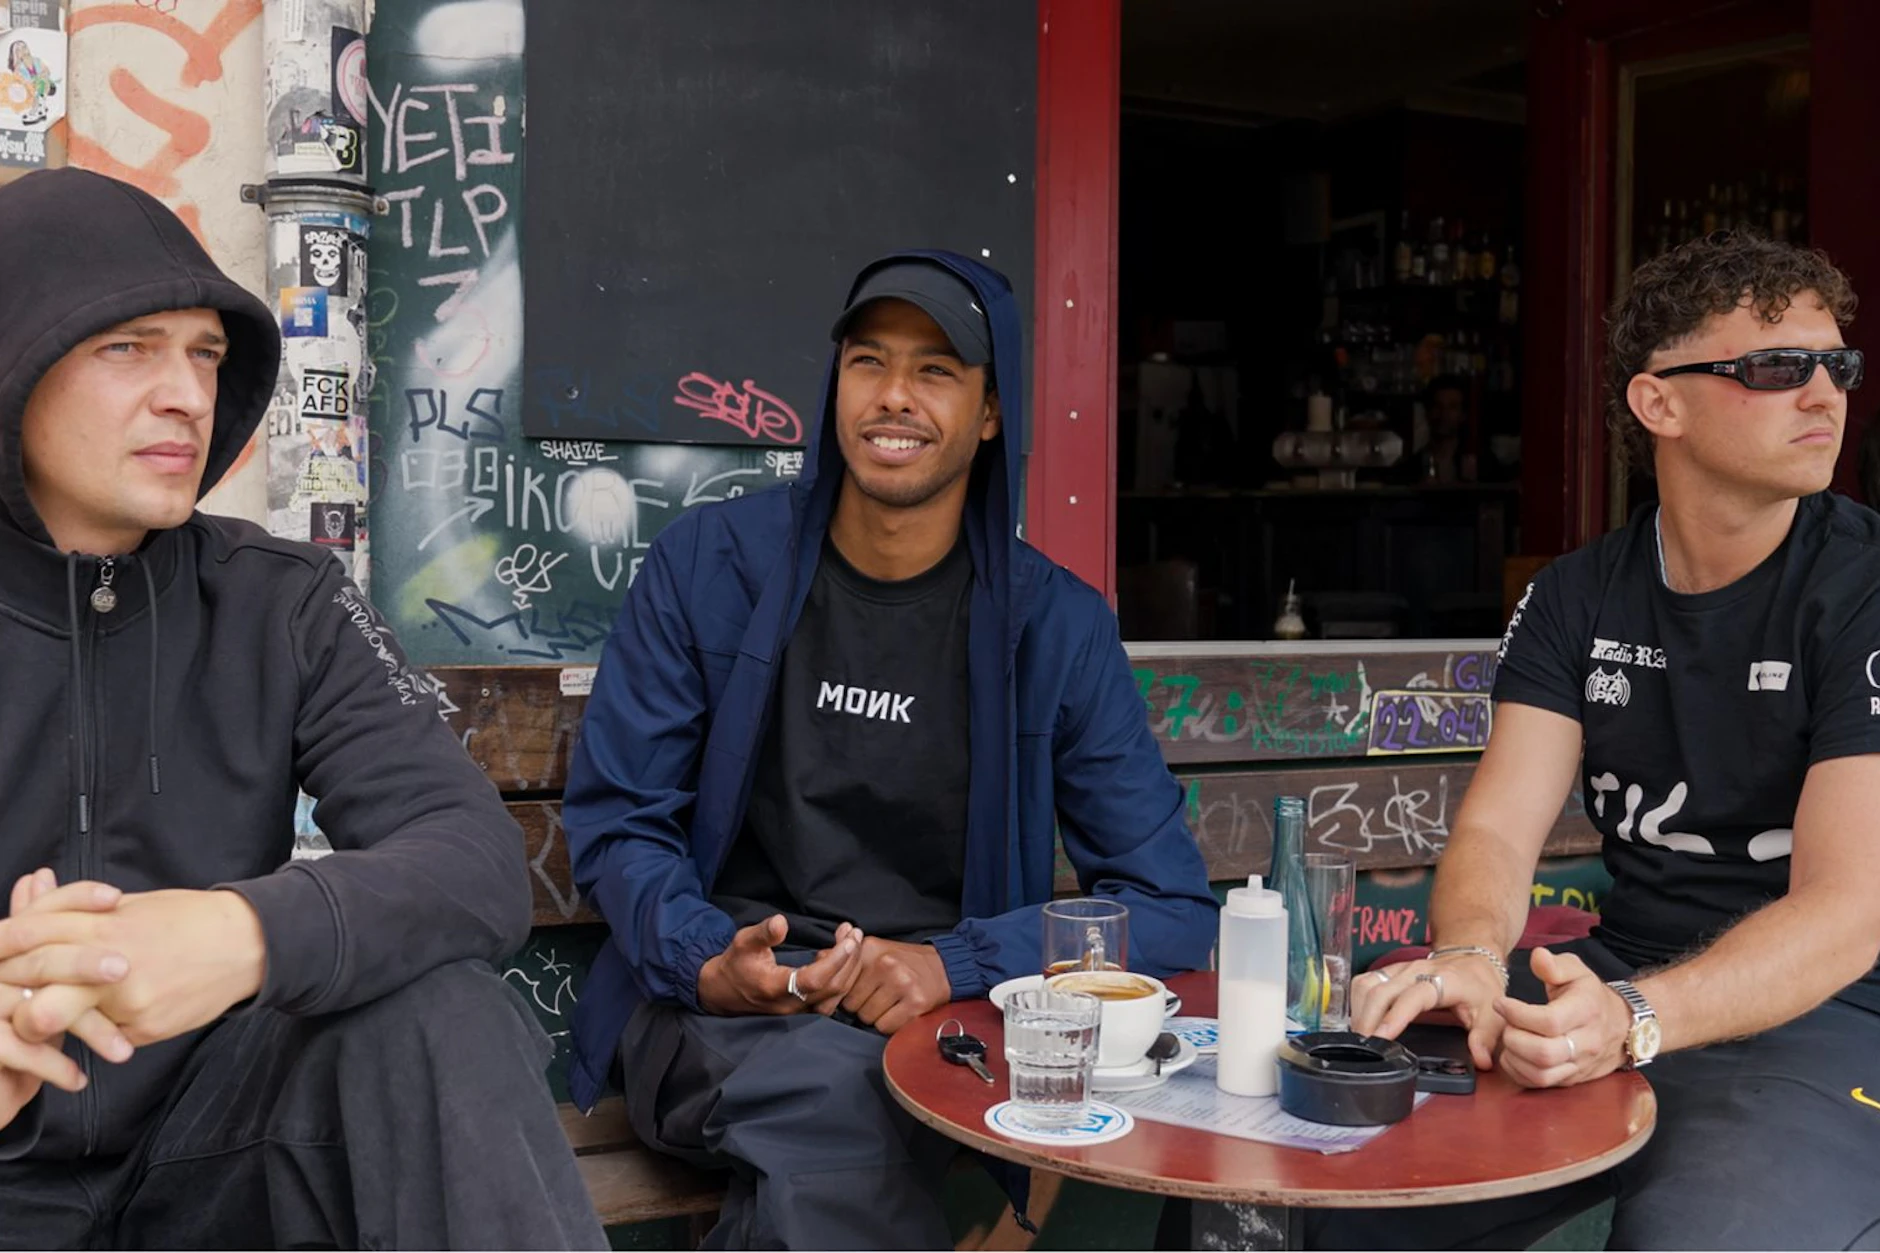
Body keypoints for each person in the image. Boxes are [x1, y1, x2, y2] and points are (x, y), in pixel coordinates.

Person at [0, 168, 604, 1249]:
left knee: (436, 1005)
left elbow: (471, 855)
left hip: (214, 1168)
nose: (186, 393)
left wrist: (240, 933)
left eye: (206, 353)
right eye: (128, 346)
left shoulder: (280, 601)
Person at [563, 251, 1217, 1249]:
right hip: (716, 1019)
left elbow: (1167, 903)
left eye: (936, 370)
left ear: (991, 413)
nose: (893, 397)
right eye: (868, 362)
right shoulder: (710, 567)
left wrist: (947, 962)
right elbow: (617, 823)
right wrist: (709, 961)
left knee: (864, 1110)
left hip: (948, 1023)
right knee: (845, 1100)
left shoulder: (1053, 627)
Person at [1336, 231, 1880, 1249]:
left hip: (1831, 1017)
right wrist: (1463, 954)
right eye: (1775, 367)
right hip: (1618, 979)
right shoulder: (1575, 592)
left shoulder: (1860, 588)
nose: (1821, 394)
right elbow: (1498, 828)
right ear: (1657, 402)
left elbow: (1848, 909)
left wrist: (1631, 1016)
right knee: (1320, 1191)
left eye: (1834, 364)